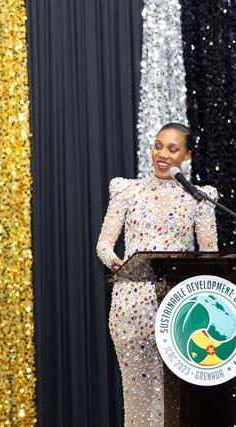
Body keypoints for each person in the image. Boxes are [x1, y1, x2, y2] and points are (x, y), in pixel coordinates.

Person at [96, 122, 218, 426]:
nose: (162, 154)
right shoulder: (128, 191)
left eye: (172, 149)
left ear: (187, 156)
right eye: (158, 146)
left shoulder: (199, 198)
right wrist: (118, 264)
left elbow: (209, 257)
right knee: (136, 396)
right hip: (129, 307)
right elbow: (104, 245)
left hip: (178, 311)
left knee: (174, 397)